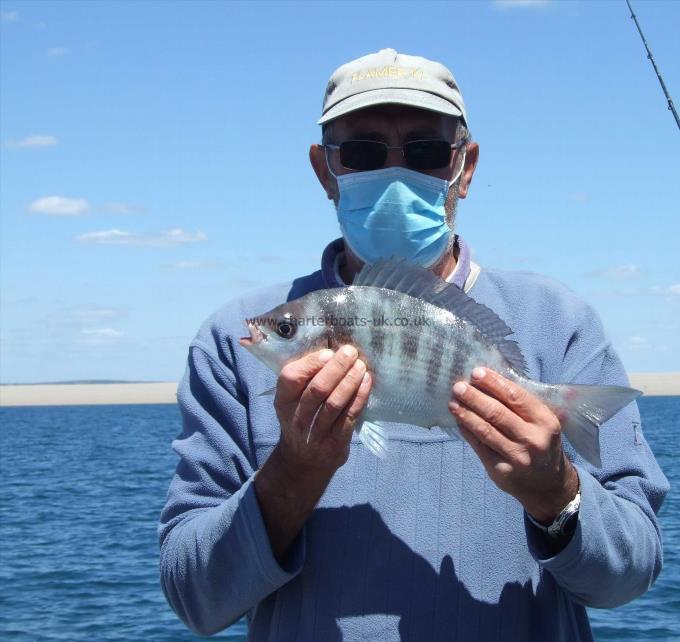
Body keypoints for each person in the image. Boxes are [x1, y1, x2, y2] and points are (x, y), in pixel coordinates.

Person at [158, 49, 669, 641]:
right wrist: (293, 474)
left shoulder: (559, 323)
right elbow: (195, 600)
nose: (396, 177)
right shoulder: (228, 343)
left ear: (465, 167)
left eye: (426, 152)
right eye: (363, 152)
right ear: (326, 171)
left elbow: (630, 576)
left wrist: (558, 496)